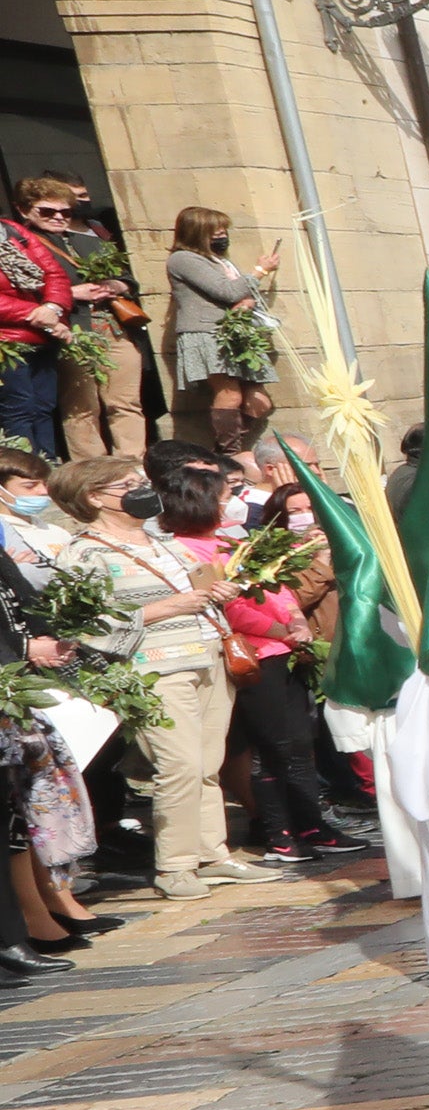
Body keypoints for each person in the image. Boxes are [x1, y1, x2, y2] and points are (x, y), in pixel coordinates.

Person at [50, 455, 258, 896]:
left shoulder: (162, 539)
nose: (142, 489)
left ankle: (211, 853)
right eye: (128, 483)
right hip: (155, 669)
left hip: (206, 657)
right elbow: (82, 624)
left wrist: (218, 588)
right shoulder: (83, 551)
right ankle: (176, 867)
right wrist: (165, 609)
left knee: (206, 765)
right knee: (179, 766)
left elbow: (195, 589)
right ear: (94, 496)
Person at [181, 463, 350, 866]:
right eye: (224, 498)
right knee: (272, 749)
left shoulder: (229, 541)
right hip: (255, 655)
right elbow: (233, 609)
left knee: (297, 745)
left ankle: (312, 825)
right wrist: (281, 630)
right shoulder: (188, 548)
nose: (230, 505)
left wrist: (292, 620)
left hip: (283, 650)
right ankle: (280, 833)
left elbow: (276, 586)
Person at [20, 177, 151, 460]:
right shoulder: (21, 247)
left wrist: (117, 286)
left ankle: (133, 464)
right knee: (81, 406)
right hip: (70, 329)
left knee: (126, 401)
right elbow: (20, 293)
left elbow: (129, 278)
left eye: (65, 211)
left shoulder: (87, 238)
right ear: (25, 211)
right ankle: (93, 470)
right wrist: (71, 292)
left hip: (113, 326)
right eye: (47, 211)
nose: (58, 217)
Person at [161, 209, 273, 449]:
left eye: (224, 231)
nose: (222, 236)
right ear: (198, 233)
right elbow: (227, 291)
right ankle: (229, 453)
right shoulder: (183, 259)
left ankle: (228, 446)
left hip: (235, 333)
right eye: (216, 232)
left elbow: (236, 293)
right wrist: (260, 271)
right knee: (230, 394)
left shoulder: (219, 261)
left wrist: (248, 302)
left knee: (259, 400)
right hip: (207, 333)